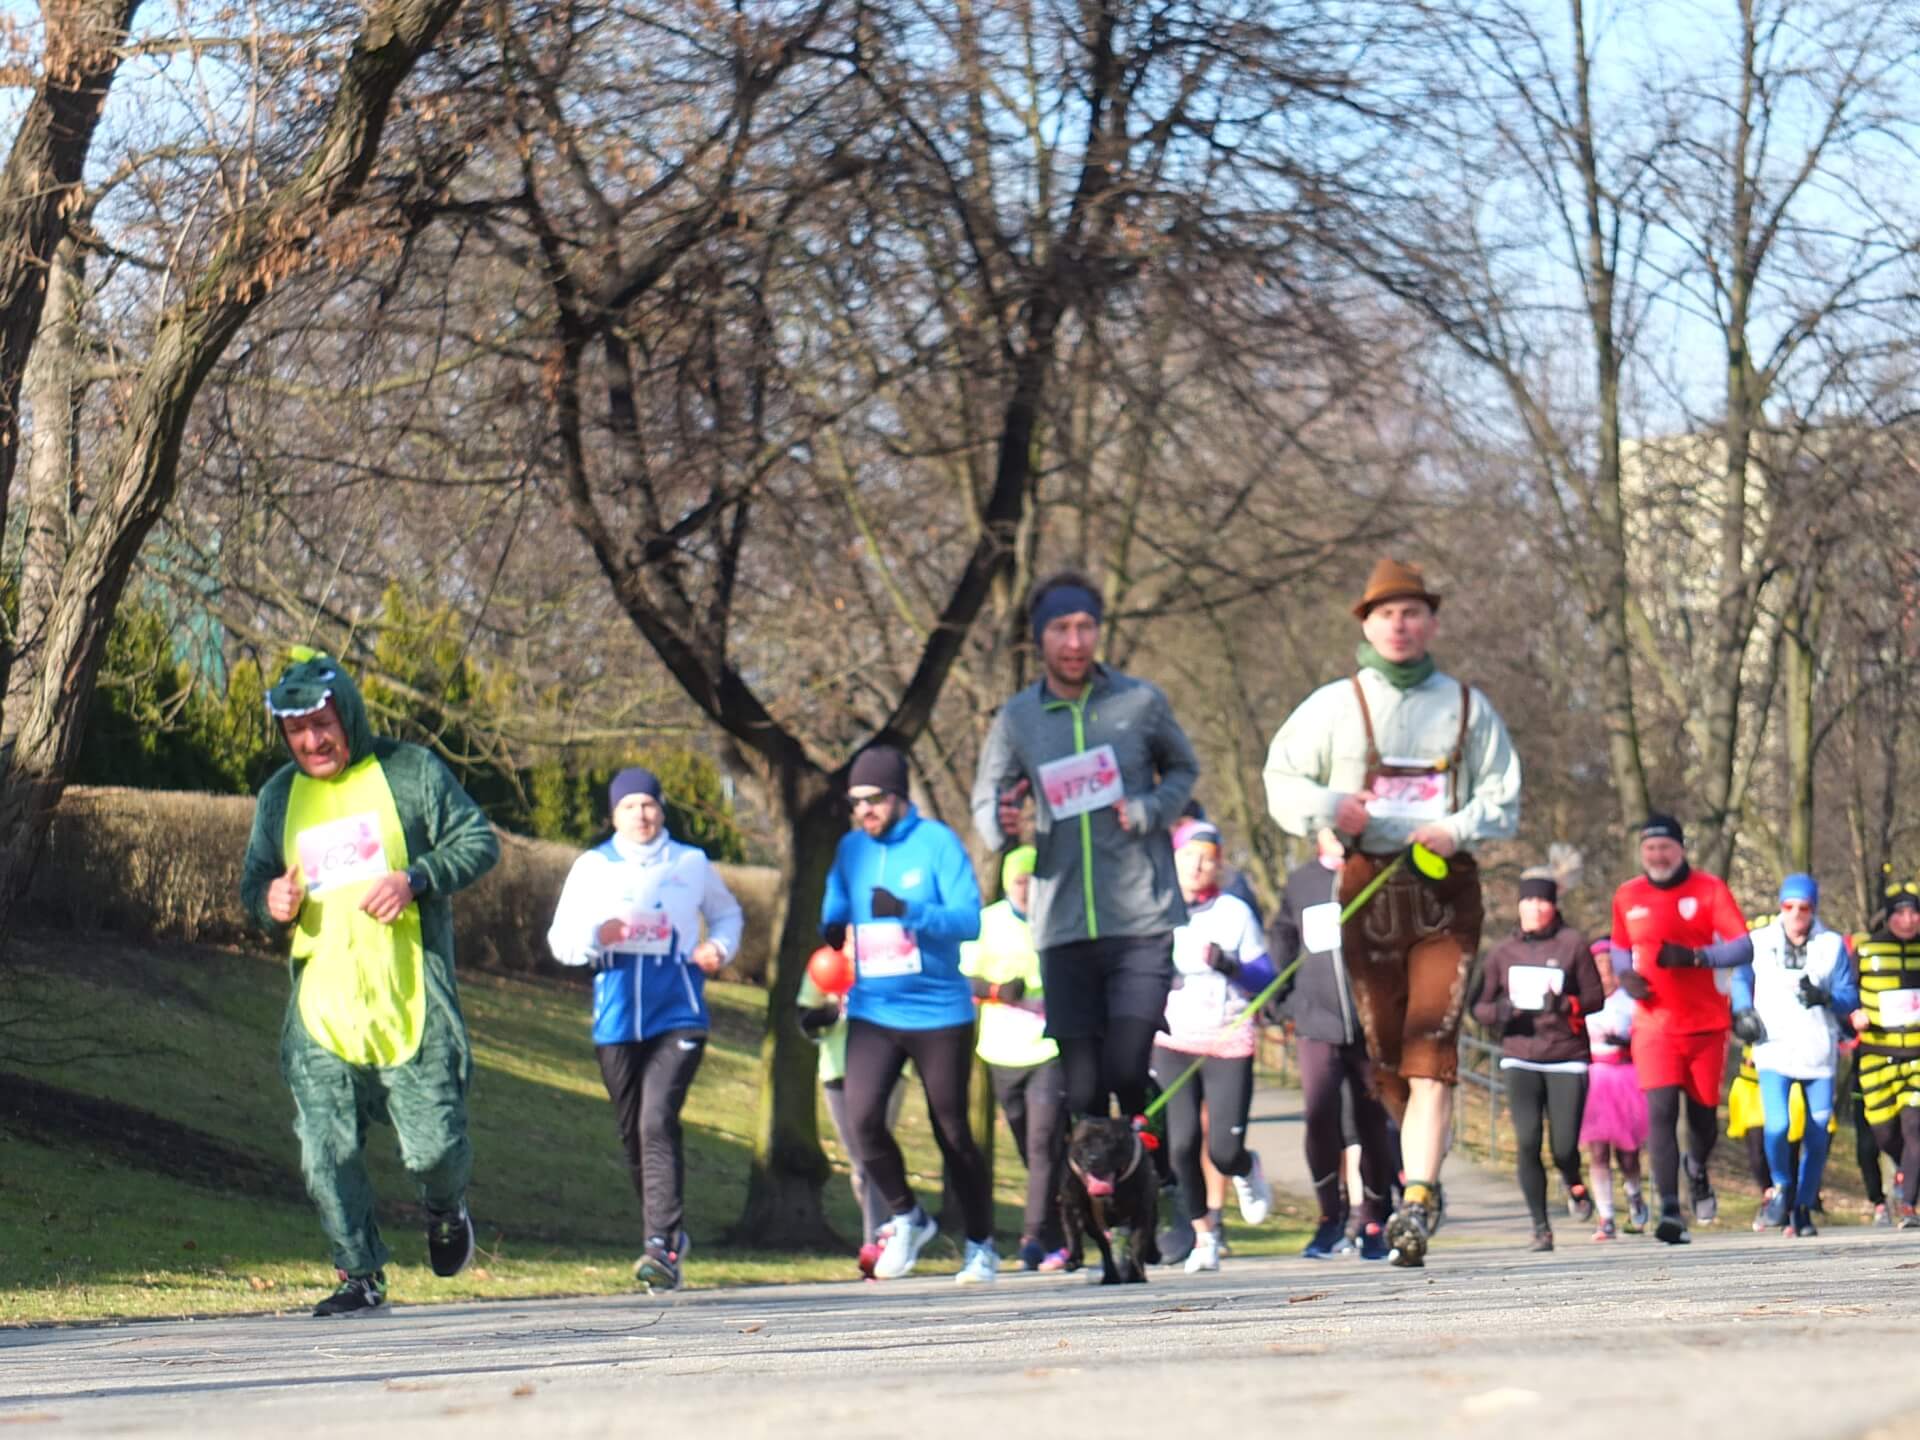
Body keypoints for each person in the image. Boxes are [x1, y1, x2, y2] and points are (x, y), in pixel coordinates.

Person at [1262, 557, 1522, 1267]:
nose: (1399, 625)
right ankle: (1422, 1171)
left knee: (1430, 1047)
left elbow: (1502, 795)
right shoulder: (1334, 705)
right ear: (1366, 624)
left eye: (1412, 612)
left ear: (1432, 622)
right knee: (1385, 1063)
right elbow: (1281, 779)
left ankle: (1416, 1194)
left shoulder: (1467, 706)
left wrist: (1458, 828)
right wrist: (1329, 806)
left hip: (1442, 888)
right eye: (1385, 613)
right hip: (1366, 887)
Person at [240, 649, 501, 1318]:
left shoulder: (409, 771)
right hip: (321, 1012)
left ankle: (446, 1209)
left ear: (348, 714)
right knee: (324, 1150)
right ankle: (360, 1273)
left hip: (408, 998)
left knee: (435, 1150)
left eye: (323, 725)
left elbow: (478, 840)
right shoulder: (278, 798)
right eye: (297, 732)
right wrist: (268, 902)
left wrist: (415, 878)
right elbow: (255, 885)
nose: (312, 742)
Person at [971, 571, 1200, 1131]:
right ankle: (1103, 1199)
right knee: (1084, 1088)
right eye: (1060, 629)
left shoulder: (1140, 702)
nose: (1074, 642)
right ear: (1038, 638)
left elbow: (1183, 768)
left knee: (1125, 1067)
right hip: (1064, 923)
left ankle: (1155, 1154)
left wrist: (1150, 808)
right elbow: (987, 796)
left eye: (1085, 628)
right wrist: (1002, 826)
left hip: (1140, 919)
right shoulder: (1017, 719)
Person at [546, 767, 745, 1290]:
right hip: (614, 1017)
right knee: (633, 1132)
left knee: (657, 1121)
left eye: (649, 804)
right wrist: (596, 935)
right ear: (614, 814)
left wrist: (718, 948)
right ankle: (668, 1236)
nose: (641, 814)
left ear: (662, 808)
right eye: (629, 806)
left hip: (678, 1010)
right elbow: (561, 939)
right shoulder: (593, 866)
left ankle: (660, 1244)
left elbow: (728, 916)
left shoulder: (690, 862)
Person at [825, 745, 994, 1282]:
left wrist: (908, 912)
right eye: (856, 803)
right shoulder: (851, 849)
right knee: (861, 1121)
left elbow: (970, 921)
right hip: (874, 1008)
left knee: (952, 1131)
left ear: (898, 797)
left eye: (872, 800)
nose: (864, 812)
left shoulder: (937, 843)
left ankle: (981, 1244)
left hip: (940, 1010)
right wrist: (830, 926)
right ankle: (907, 1216)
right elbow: (835, 905)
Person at [1662, 874, 1856, 1236]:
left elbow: (1849, 995)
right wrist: (1742, 1011)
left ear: (1814, 908)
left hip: (1817, 1052)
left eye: (1804, 907)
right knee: (1778, 1124)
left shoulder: (1831, 945)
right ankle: (1781, 1186)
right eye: (1789, 906)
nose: (1796, 913)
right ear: (1780, 906)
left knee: (1817, 1134)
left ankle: (1802, 1207)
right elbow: (1740, 978)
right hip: (1773, 1048)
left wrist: (1827, 998)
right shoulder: (1760, 939)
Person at [1609, 814, 1746, 1245]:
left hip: (1706, 1026)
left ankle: (1698, 1169)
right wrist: (1624, 976)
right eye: (1650, 849)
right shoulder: (1628, 894)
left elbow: (1743, 945)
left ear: (1681, 849)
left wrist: (1695, 958)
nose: (1657, 856)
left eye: (1665, 847)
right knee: (1661, 1115)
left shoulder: (1709, 889)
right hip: (1654, 1025)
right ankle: (1670, 1209)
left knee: (1704, 1122)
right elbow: (1617, 945)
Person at [1149, 819, 1277, 1273]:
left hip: (1227, 1041)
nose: (1198, 865)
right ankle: (1204, 1235)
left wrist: (1226, 964)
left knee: (1222, 1149)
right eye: (1189, 855)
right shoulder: (1156, 909)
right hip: (1173, 1041)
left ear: (1219, 865)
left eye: (1208, 857)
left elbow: (1267, 978)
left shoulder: (1234, 913)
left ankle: (1247, 1168)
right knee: (1181, 1145)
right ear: (1174, 859)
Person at [1272, 829, 1396, 1260]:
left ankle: (1376, 1217)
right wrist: (1281, 996)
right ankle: (1330, 1218)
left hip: (1370, 1026)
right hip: (1316, 1022)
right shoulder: (1301, 880)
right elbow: (1283, 939)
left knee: (1371, 1123)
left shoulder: (1377, 873)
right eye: (1331, 827)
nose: (1339, 836)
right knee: (1319, 1117)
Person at [1471, 865, 1604, 1251]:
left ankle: (1573, 1181)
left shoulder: (1573, 945)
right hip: (1520, 1055)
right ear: (1518, 906)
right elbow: (1478, 1005)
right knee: (1528, 1141)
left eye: (1542, 900)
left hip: (1566, 1055)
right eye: (1528, 900)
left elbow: (1596, 998)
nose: (1535, 907)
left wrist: (1565, 1003)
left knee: (1563, 1146)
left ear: (1553, 905)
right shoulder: (1502, 952)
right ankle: (1540, 1228)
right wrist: (1502, 1013)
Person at [959, 846, 1070, 1271]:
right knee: (1030, 1148)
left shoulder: (1059, 919)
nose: (1027, 890)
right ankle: (1063, 1233)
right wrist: (995, 989)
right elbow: (963, 976)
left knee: (1042, 1145)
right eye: (1021, 881)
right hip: (1002, 1048)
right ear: (1008, 883)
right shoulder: (989, 922)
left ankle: (1032, 1238)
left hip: (1050, 1047)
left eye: (1034, 881)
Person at [797, 934, 898, 1255]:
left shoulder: (892, 958)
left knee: (873, 1156)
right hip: (837, 1069)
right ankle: (894, 1223)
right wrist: (832, 1010)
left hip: (887, 1068)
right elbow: (804, 1020)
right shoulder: (827, 962)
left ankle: (874, 1245)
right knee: (859, 1164)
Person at [1850, 884, 1920, 1225]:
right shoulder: (1867, 950)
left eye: (1914, 912)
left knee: (1915, 1128)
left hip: (1918, 1056)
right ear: (1888, 917)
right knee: (1884, 1135)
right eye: (1900, 913)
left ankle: (1908, 1205)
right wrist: (1851, 1014)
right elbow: (1845, 991)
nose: (1908, 920)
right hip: (1876, 1054)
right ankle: (1907, 1173)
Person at [1582, 939, 1649, 1239]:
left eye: (1610, 965)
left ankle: (1634, 1194)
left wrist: (1625, 1043)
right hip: (1593, 1078)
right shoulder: (1585, 999)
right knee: (1597, 1152)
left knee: (1628, 1155)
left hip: (1625, 1078)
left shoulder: (1629, 1000)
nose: (1605, 972)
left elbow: (1645, 1035)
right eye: (1599, 966)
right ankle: (1605, 1216)